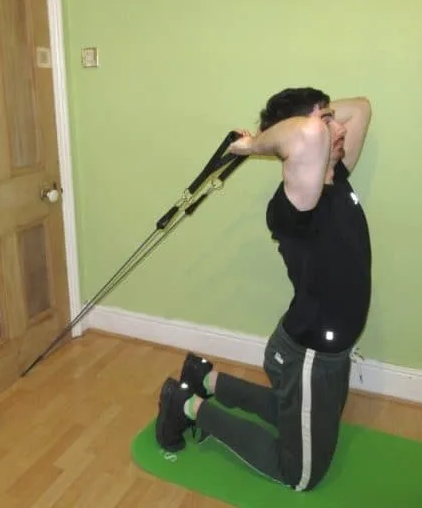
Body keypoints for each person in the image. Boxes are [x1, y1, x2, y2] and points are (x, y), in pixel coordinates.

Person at [153, 87, 373, 492]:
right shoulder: (295, 206)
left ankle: (208, 379)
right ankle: (184, 404)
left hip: (322, 350)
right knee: (300, 474)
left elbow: (360, 108)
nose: (336, 127)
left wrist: (318, 118)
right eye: (325, 120)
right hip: (308, 355)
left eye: (330, 117)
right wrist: (256, 144)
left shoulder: (336, 174)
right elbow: (306, 136)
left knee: (296, 413)